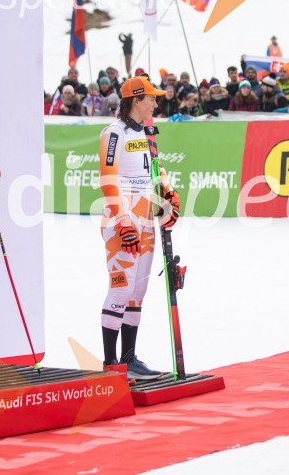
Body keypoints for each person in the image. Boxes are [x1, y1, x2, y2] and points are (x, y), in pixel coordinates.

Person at [98, 75, 180, 380]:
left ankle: (129, 359)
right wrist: (122, 222)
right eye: (151, 98)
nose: (156, 103)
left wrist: (169, 192)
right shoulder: (113, 133)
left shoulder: (148, 131)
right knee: (121, 288)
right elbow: (107, 180)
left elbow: (155, 168)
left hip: (145, 218)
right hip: (122, 219)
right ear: (136, 100)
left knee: (138, 291)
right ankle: (111, 365)